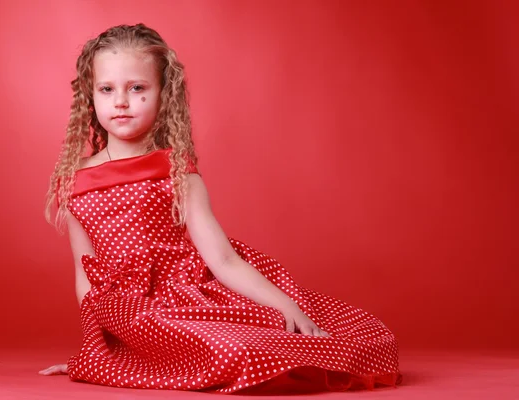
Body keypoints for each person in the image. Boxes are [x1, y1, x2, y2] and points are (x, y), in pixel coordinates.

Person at [39, 23, 402, 394]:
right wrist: (94, 349)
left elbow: (223, 260)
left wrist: (287, 307)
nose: (121, 101)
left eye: (137, 88)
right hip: (134, 312)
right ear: (91, 96)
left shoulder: (178, 172)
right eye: (107, 89)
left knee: (333, 334)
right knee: (226, 350)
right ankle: (154, 354)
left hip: (193, 295)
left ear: (164, 95)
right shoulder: (75, 180)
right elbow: (87, 278)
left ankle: (280, 338)